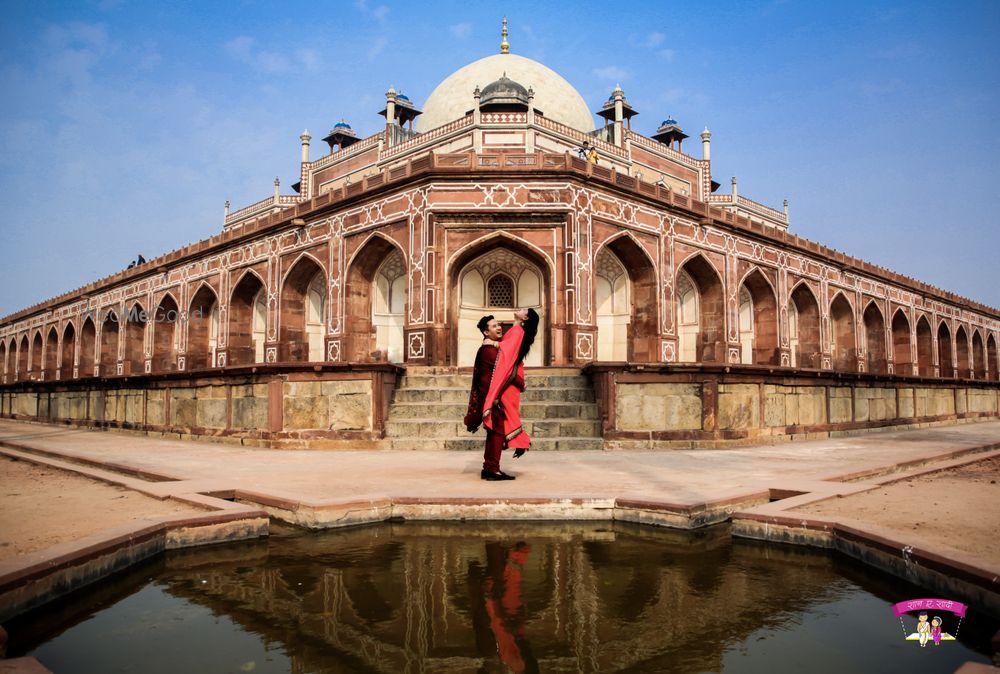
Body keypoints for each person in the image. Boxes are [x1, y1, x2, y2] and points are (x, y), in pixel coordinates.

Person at [482, 308, 539, 476]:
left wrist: (491, 343)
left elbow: (507, 352)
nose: (519, 309)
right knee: (506, 416)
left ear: (525, 317)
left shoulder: (518, 331)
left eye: (523, 310)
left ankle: (521, 442)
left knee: (507, 416)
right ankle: (492, 465)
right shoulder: (515, 330)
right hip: (510, 380)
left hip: (508, 383)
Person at [464, 315, 508, 480]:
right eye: (494, 326)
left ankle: (489, 467)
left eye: (498, 325)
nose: (498, 328)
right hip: (492, 399)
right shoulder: (489, 351)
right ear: (485, 332)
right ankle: (492, 469)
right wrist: (493, 400)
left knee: (494, 432)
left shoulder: (491, 348)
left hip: (492, 397)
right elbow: (491, 379)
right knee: (497, 432)